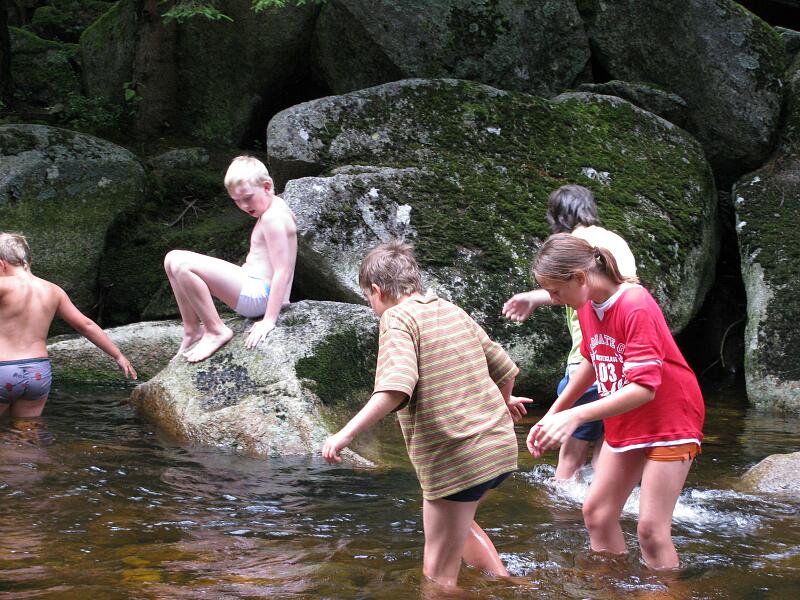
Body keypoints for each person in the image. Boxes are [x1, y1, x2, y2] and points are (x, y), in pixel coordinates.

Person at [321, 240, 530, 589]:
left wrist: (346, 433)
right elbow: (506, 369)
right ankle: (507, 587)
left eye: (368, 298)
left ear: (377, 291)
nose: (372, 306)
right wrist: (504, 403)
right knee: (459, 524)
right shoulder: (450, 309)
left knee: (437, 577)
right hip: (499, 449)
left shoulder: (397, 318)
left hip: (457, 458)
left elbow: (396, 386)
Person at [526, 233, 704, 570]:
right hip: (627, 416)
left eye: (555, 291)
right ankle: (612, 586)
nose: (554, 300)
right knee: (597, 514)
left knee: (651, 532)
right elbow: (592, 360)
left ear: (580, 277)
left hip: (670, 419)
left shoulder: (634, 303)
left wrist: (577, 416)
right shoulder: (587, 306)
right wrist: (553, 414)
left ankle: (665, 591)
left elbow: (645, 388)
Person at [502, 184, 637, 480]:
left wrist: (532, 297)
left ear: (557, 216)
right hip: (620, 363)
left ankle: (561, 505)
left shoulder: (573, 246)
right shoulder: (614, 241)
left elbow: (573, 288)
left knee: (571, 452)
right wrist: (534, 298)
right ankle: (601, 498)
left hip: (587, 357)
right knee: (609, 443)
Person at [164, 155, 298, 363]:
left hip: (259, 296)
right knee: (171, 259)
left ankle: (216, 330)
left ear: (267, 186)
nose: (243, 206)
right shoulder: (277, 205)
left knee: (182, 265)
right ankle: (192, 330)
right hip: (254, 286)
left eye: (247, 198)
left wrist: (269, 320)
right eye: (237, 201)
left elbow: (283, 270)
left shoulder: (273, 218)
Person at [0, 232, 137, 419]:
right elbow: (86, 325)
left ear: (1, 264)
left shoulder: (4, 285)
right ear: (29, 260)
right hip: (38, 372)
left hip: (4, 369)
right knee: (27, 431)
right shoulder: (53, 290)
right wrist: (117, 355)